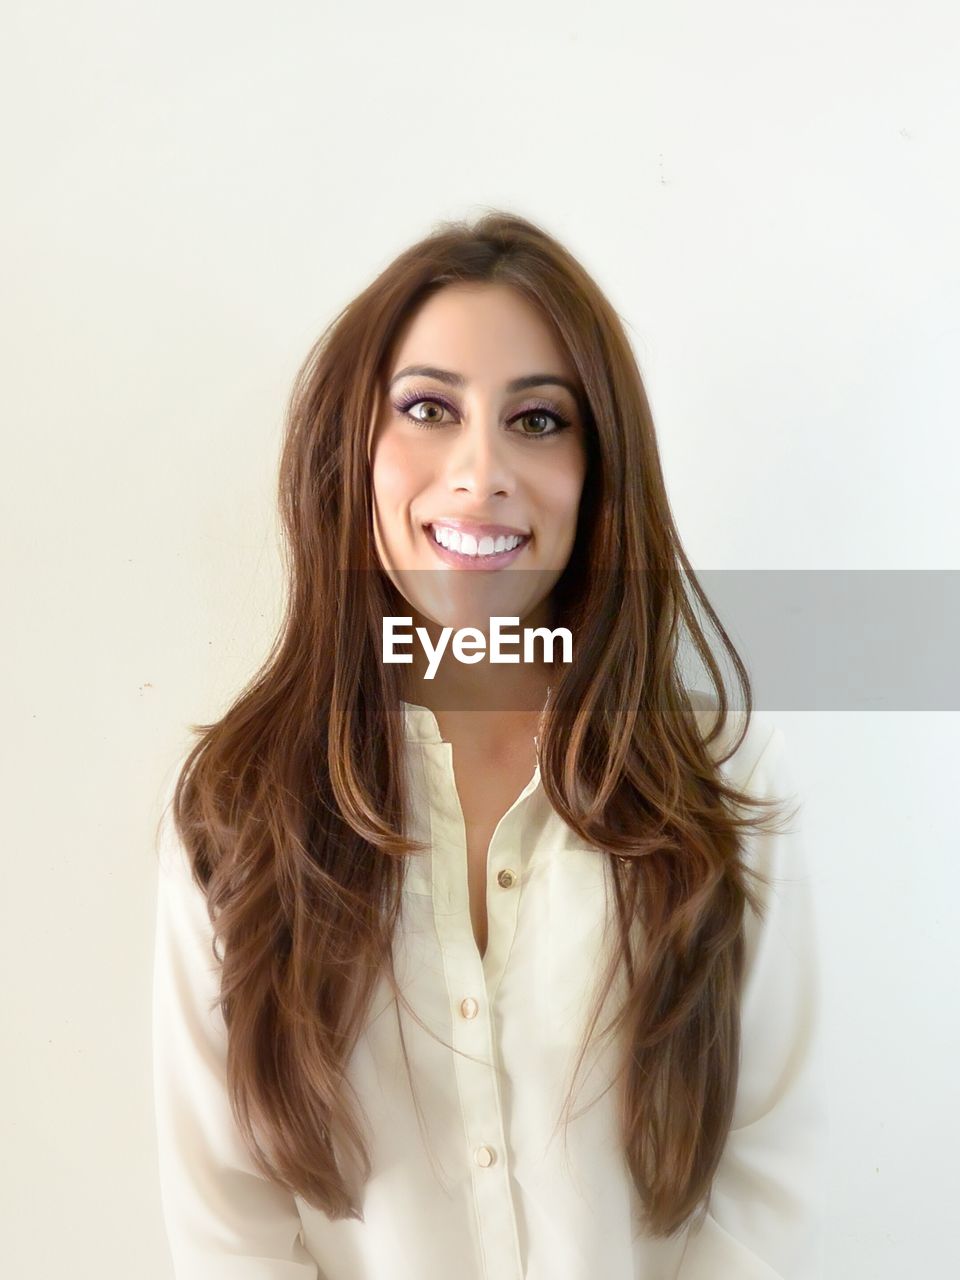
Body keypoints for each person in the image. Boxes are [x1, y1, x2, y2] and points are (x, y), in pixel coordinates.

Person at [152, 210, 827, 1279]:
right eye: (428, 408)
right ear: (353, 450)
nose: (481, 471)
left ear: (601, 471)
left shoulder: (720, 772)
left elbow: (778, 1172)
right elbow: (225, 1224)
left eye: (540, 420)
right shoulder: (239, 804)